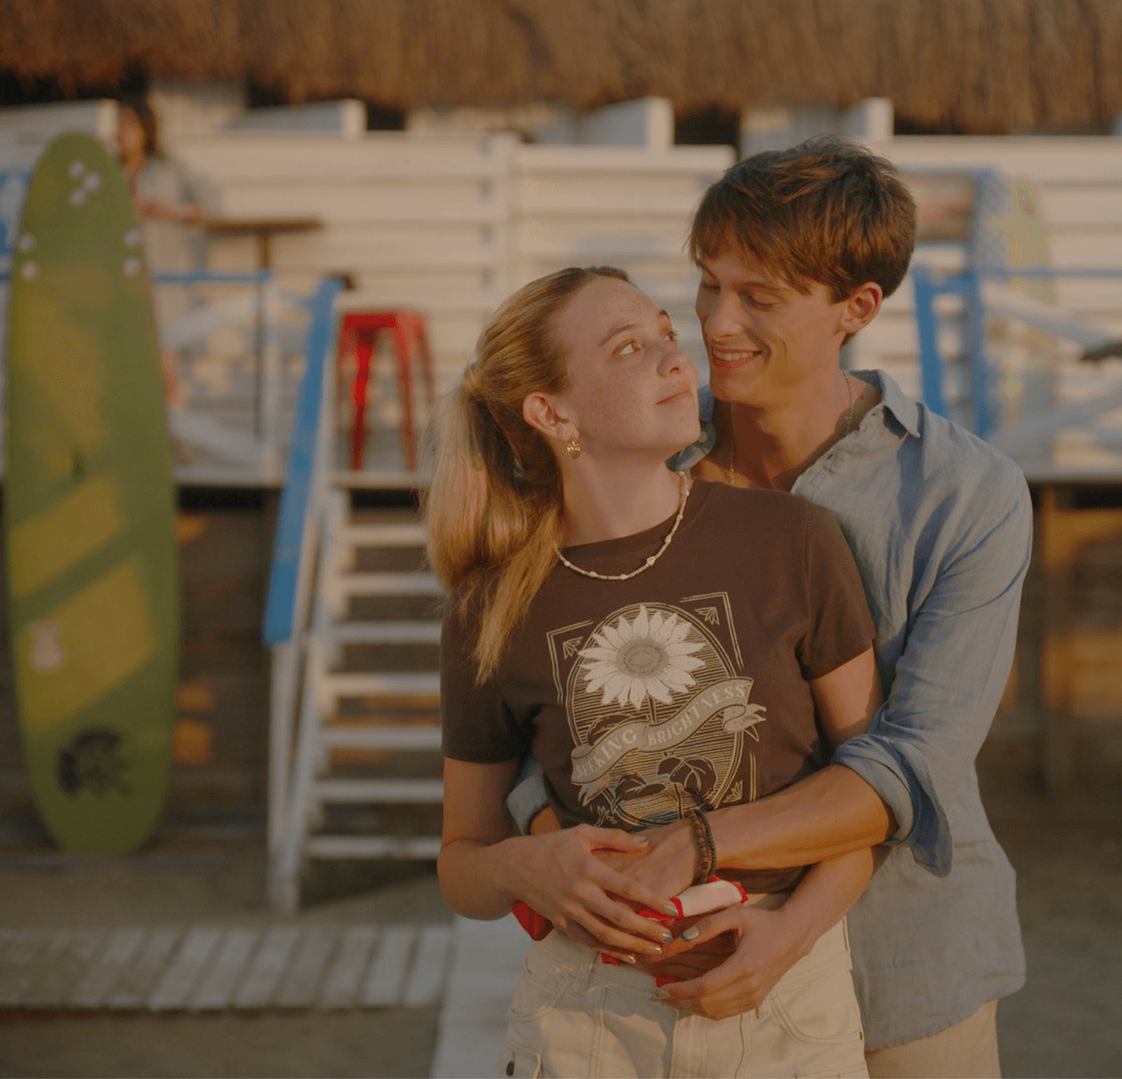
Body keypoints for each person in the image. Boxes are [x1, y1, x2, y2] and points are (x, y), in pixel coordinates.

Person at [497, 136, 1033, 1078]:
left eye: (760, 297)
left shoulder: (968, 494)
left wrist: (768, 904)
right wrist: (569, 859)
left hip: (910, 966)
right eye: (709, 285)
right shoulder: (639, 457)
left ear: (857, 308)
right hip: (665, 976)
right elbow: (533, 705)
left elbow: (913, 763)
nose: (717, 322)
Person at [429, 265, 886, 1078]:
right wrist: (519, 866)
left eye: (667, 335)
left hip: (782, 996)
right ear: (552, 414)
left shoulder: (793, 539)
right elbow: (462, 860)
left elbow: (873, 794)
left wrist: (792, 935)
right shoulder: (489, 608)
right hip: (586, 1019)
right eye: (627, 348)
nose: (678, 358)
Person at [114, 97, 214, 409]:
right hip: (118, 284)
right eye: (119, 124)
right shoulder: (109, 170)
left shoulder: (170, 168)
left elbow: (210, 206)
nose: (121, 132)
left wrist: (168, 210)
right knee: (124, 369)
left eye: (129, 124)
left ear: (146, 129)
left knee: (166, 369)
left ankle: (174, 433)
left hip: (161, 282)